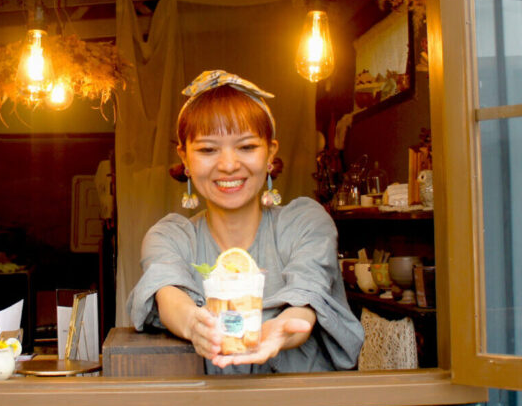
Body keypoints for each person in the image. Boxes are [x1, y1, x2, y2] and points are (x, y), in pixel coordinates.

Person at [127, 69, 364, 374]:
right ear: (184, 158)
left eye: (247, 147)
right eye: (208, 150)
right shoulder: (171, 237)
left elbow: (308, 296)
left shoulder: (305, 223)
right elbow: (167, 291)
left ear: (270, 153)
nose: (228, 165)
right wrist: (192, 323)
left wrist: (282, 329)